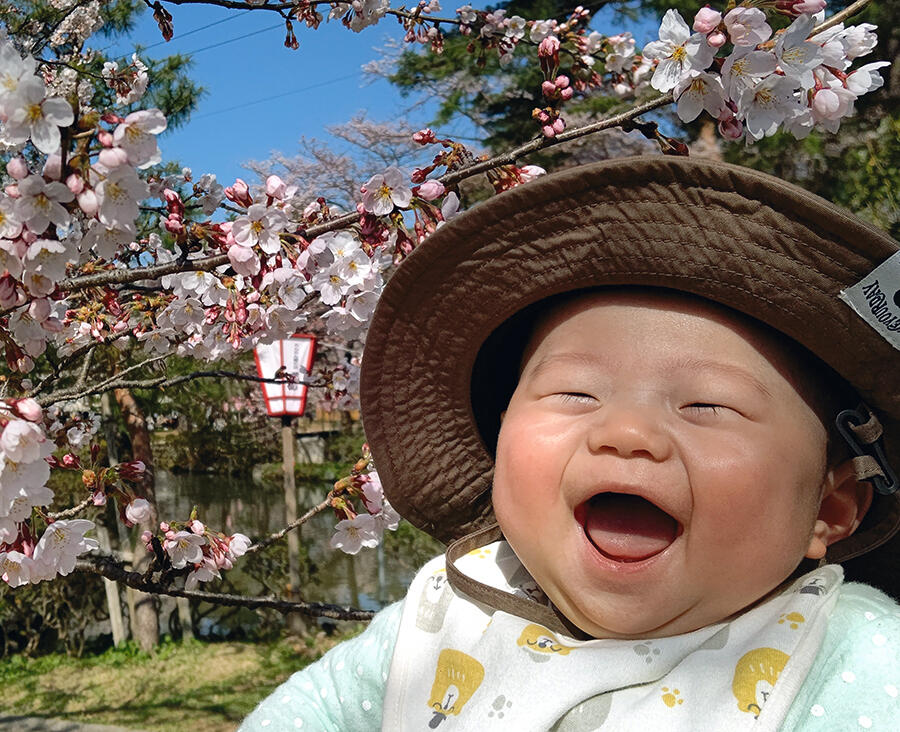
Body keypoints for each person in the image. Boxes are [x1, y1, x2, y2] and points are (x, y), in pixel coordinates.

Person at [240, 156, 900, 731]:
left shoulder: (855, 660)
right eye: (576, 394)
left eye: (707, 405)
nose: (626, 433)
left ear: (831, 509)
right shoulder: (444, 622)